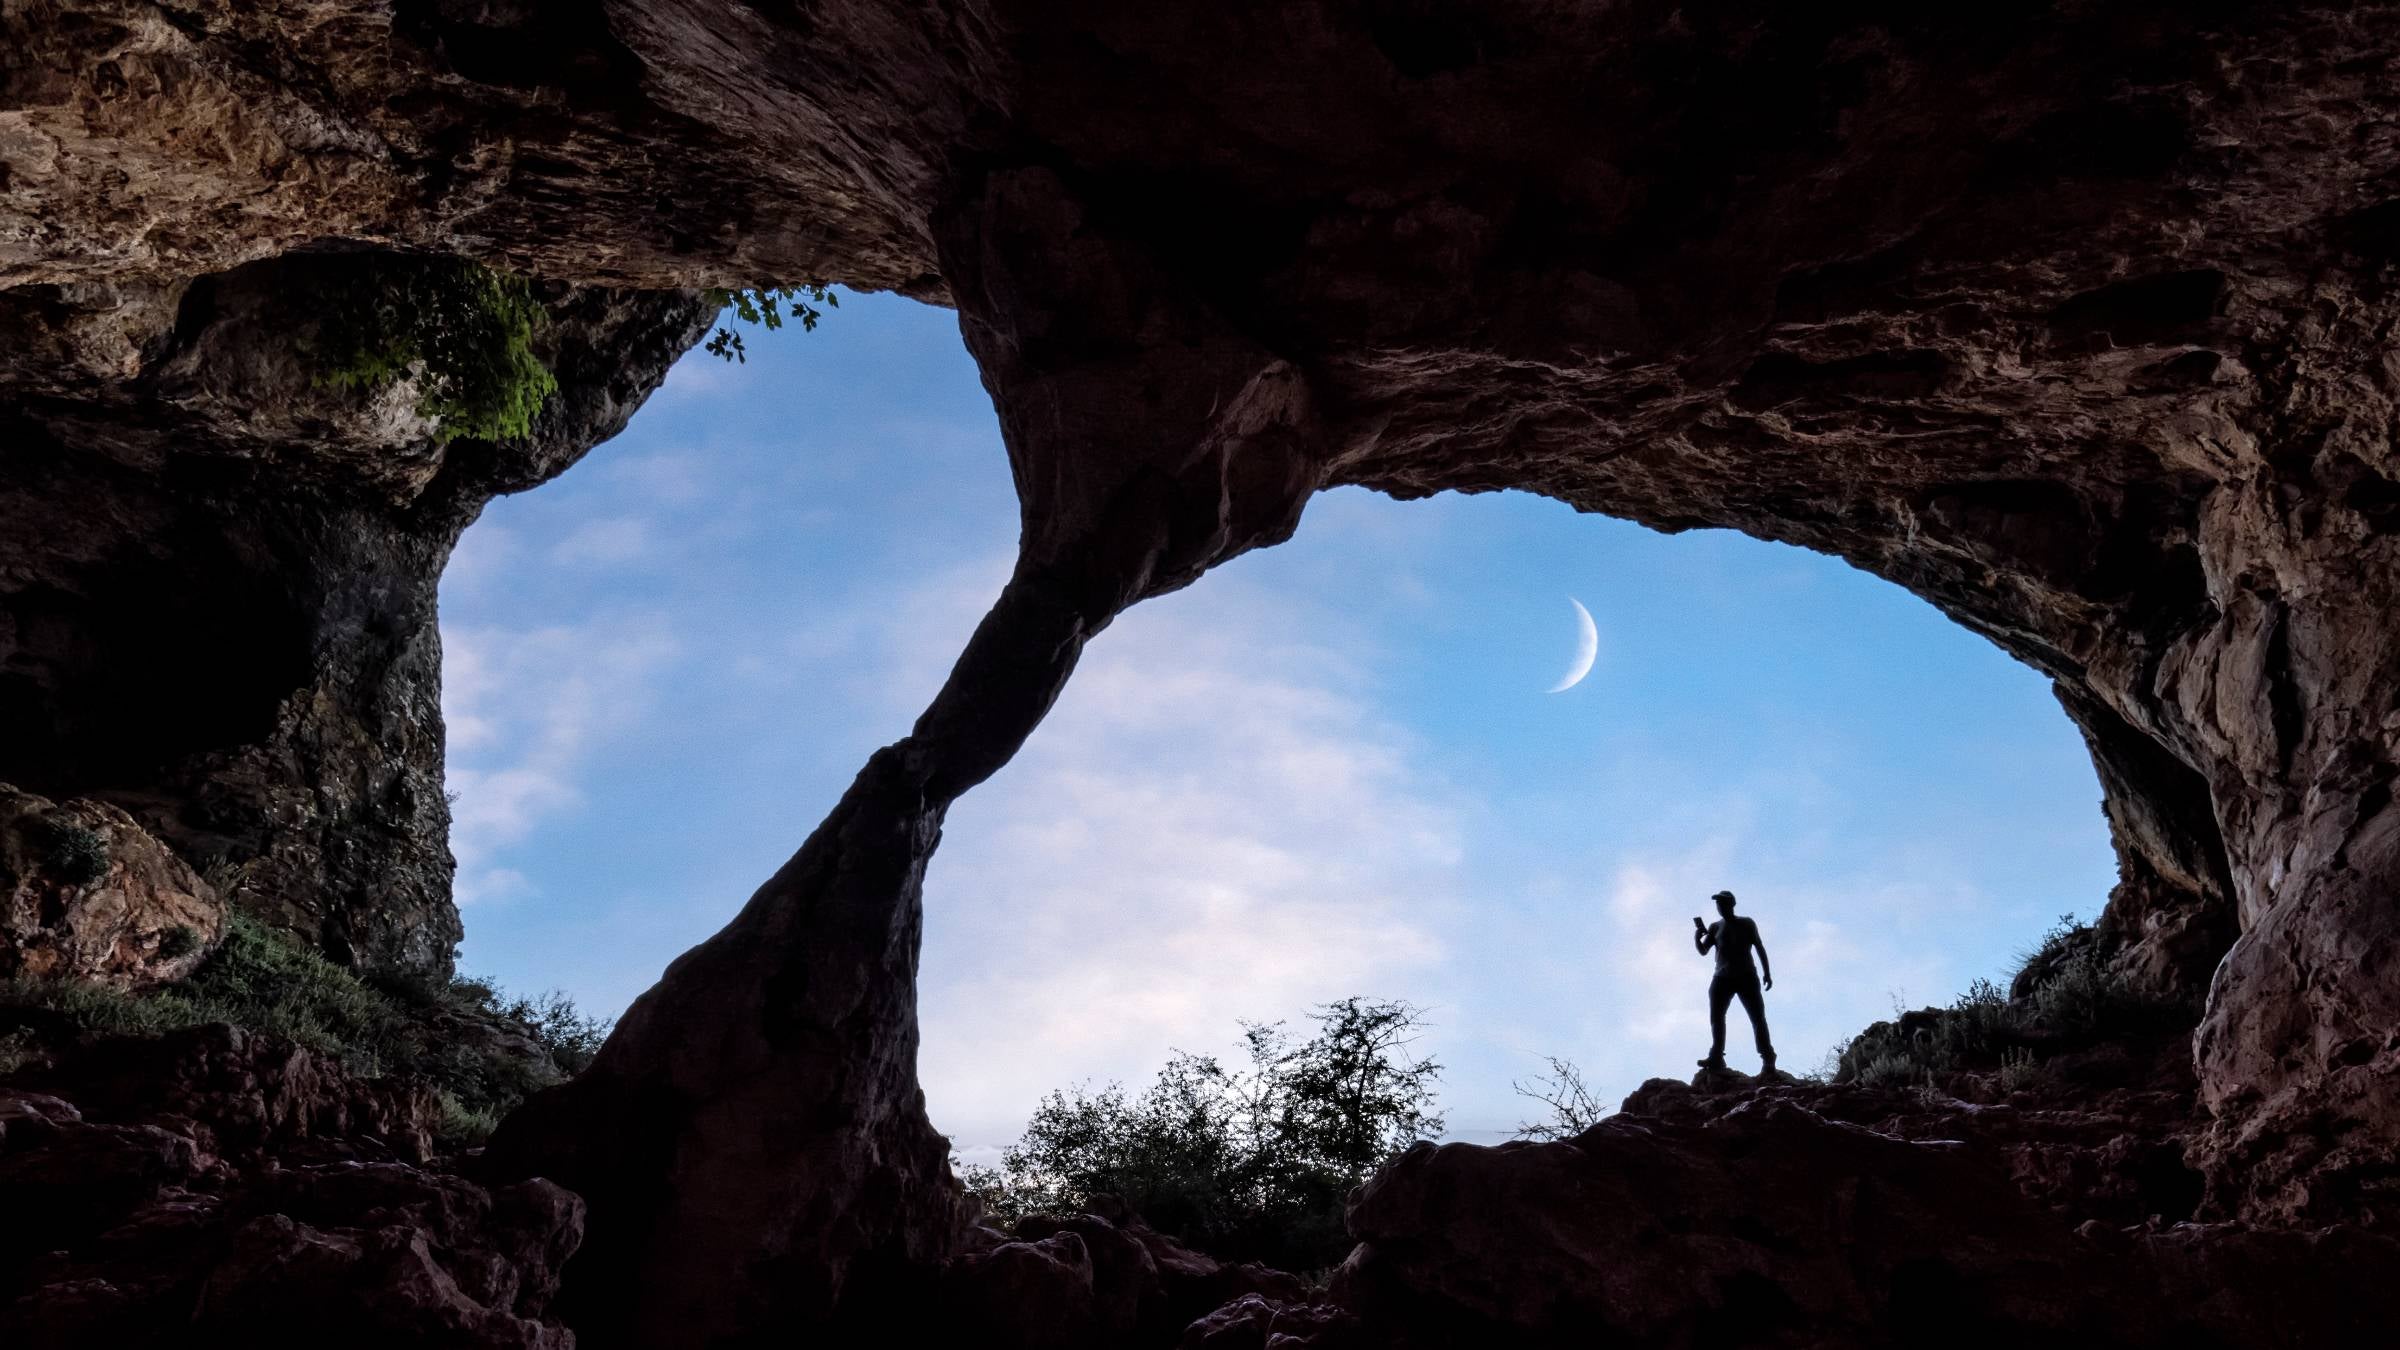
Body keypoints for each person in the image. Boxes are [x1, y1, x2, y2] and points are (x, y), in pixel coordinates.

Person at [1693, 889, 1775, 1073]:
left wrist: (1767, 973)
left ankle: (1768, 1058)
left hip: (1746, 976)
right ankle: (1716, 1057)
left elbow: (1759, 947)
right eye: (1718, 904)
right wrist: (1697, 938)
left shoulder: (1746, 923)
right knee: (1716, 1018)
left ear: (1732, 904)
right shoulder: (1715, 927)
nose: (1720, 907)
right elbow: (1703, 951)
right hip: (1722, 978)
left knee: (1757, 1018)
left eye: (1724, 903)